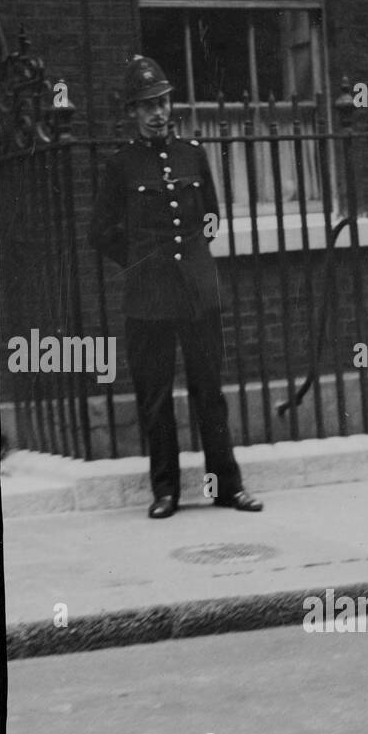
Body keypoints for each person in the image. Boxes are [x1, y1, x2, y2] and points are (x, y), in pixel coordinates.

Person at [90, 55, 263, 520]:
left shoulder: (193, 155)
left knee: (211, 392)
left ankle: (227, 486)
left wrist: (191, 262)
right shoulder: (120, 166)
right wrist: (145, 263)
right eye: (146, 106)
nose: (157, 113)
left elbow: (211, 217)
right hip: (148, 300)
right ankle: (165, 491)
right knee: (156, 396)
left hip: (197, 295)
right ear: (132, 113)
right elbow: (101, 231)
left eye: (162, 102)